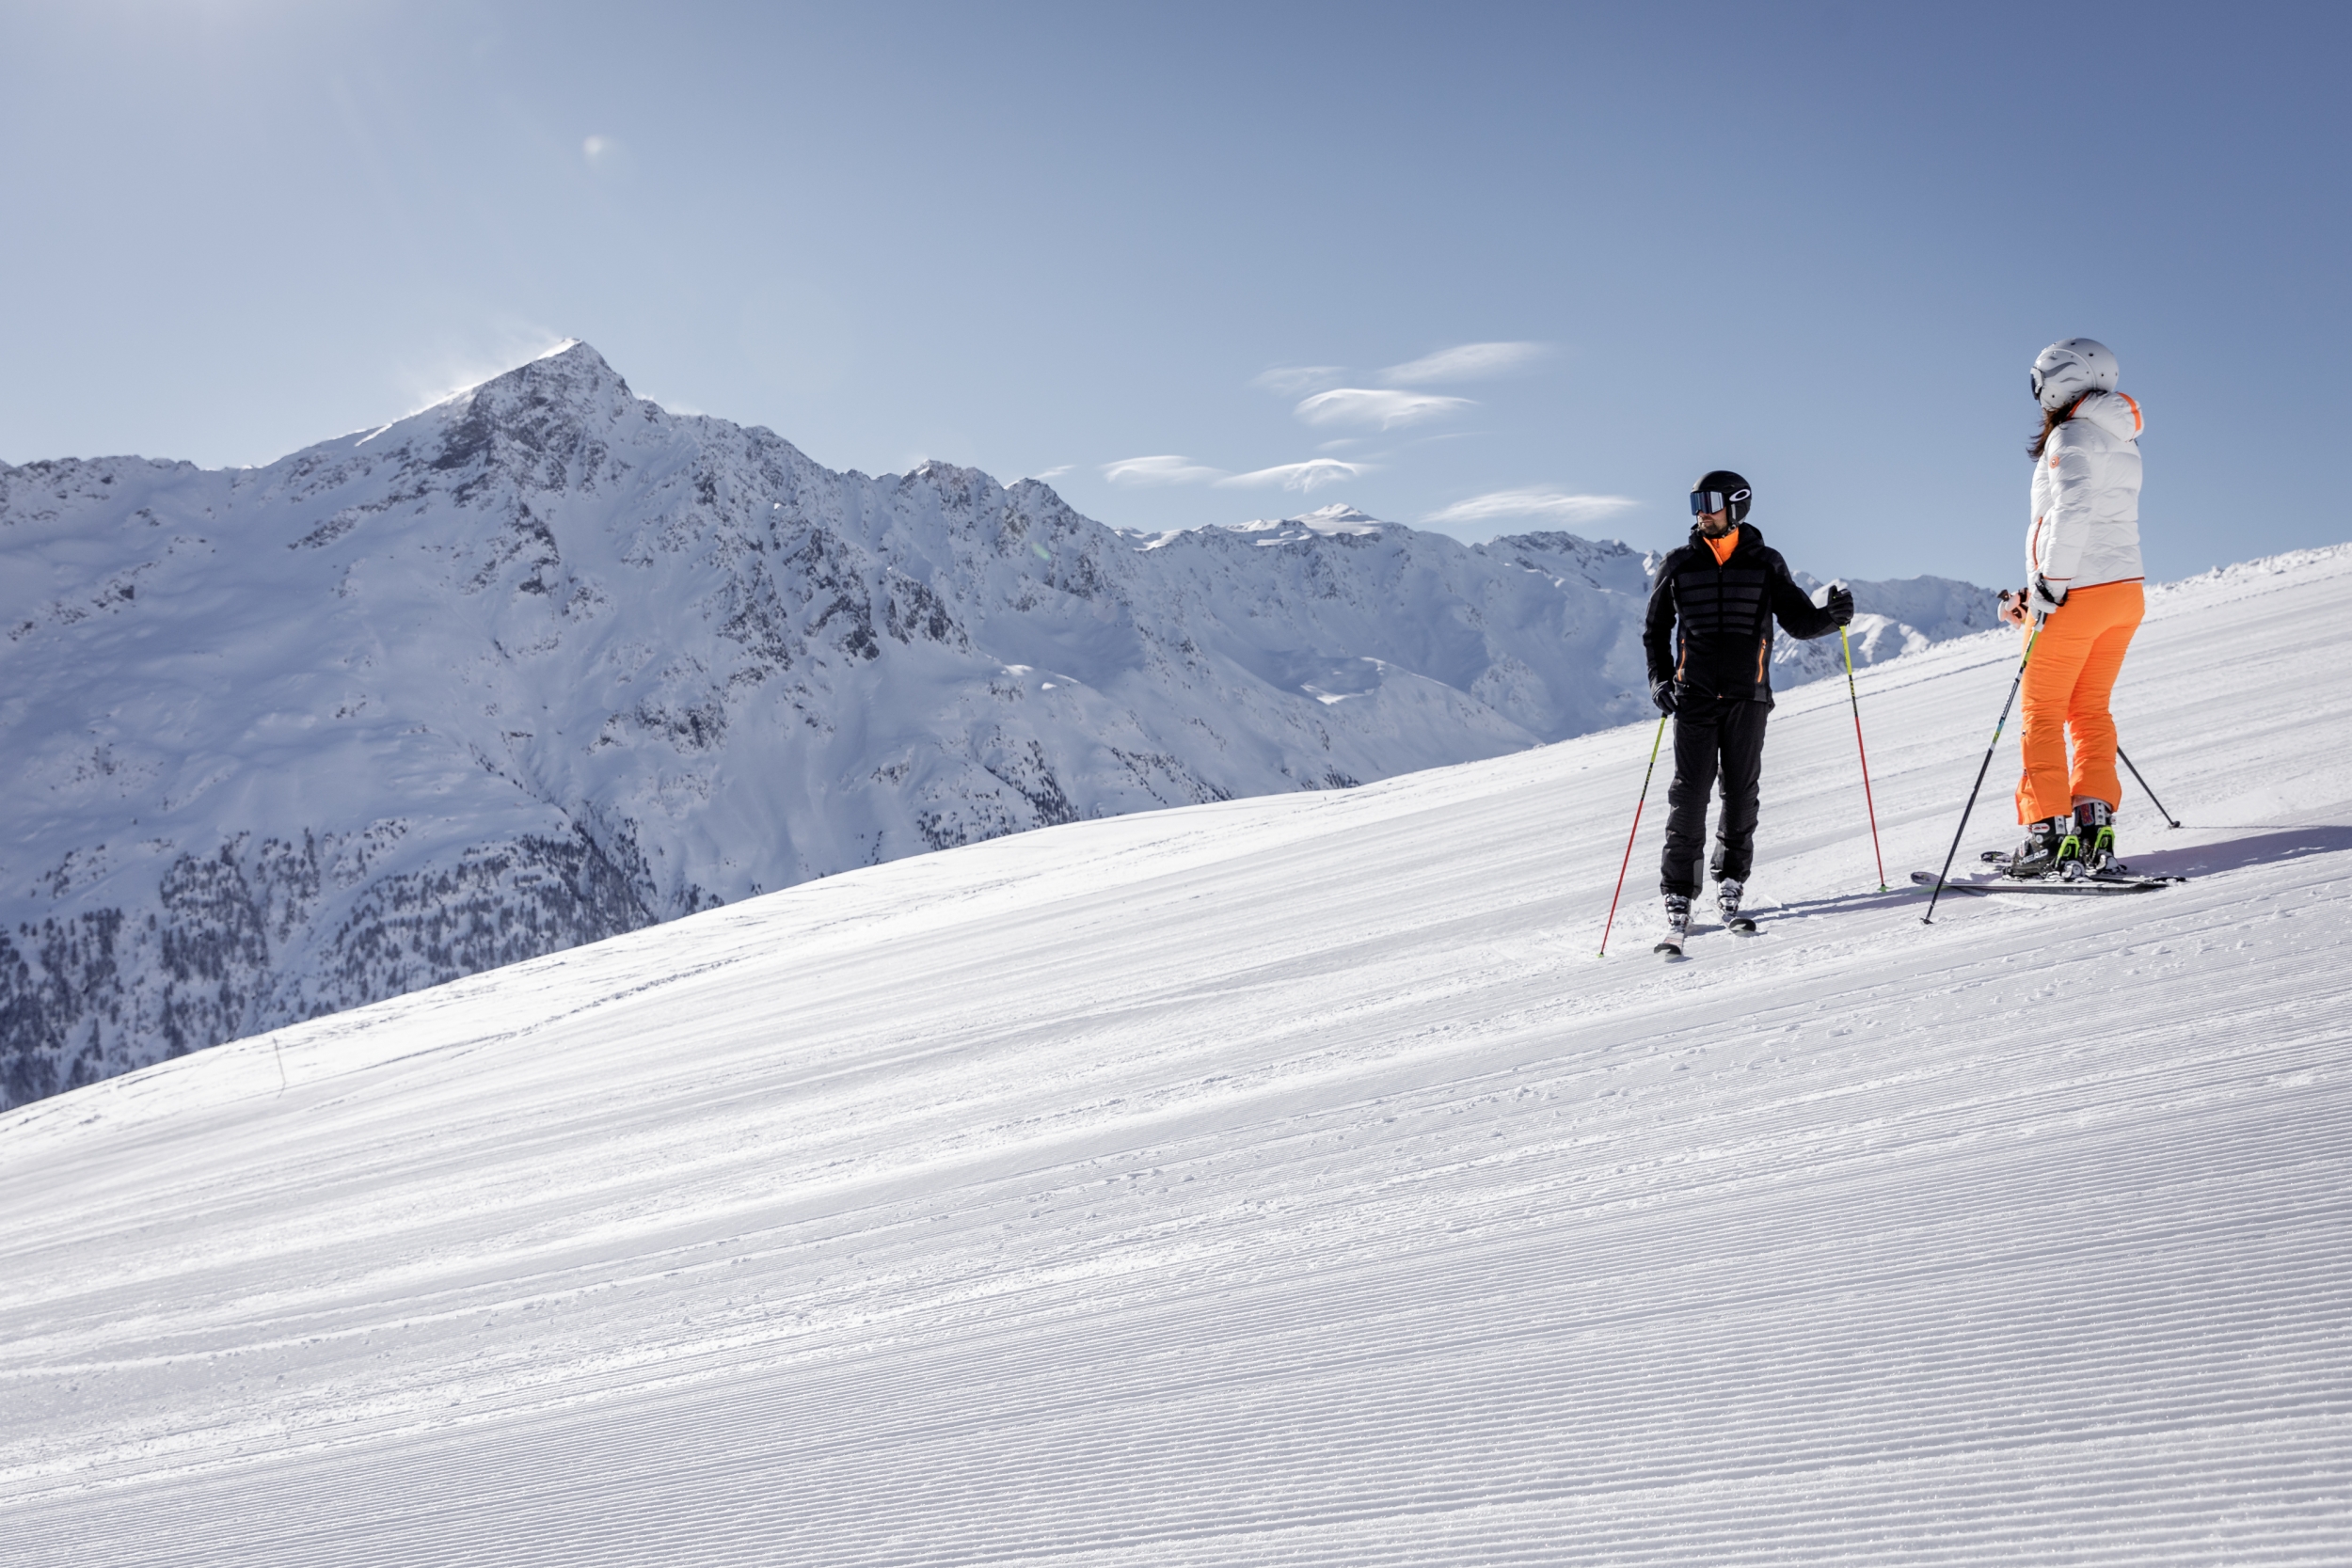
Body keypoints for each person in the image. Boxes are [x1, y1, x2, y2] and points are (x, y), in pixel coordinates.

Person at [1643, 471, 1851, 950]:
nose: (1701, 511)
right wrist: (1659, 681)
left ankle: (1731, 880)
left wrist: (1831, 618)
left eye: (1710, 502)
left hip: (1748, 697)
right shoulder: (1678, 564)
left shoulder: (1764, 562)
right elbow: (1654, 631)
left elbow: (1798, 620)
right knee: (1689, 796)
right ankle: (1679, 892)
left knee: (1740, 794)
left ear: (1736, 506)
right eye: (1696, 502)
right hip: (1692, 697)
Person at [1996, 338, 2145, 876]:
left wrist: (2049, 586)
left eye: (2038, 382)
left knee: (2042, 715)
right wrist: (2037, 587)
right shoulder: (2118, 437)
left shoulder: (2072, 434)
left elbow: (2073, 511)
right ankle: (2092, 826)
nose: (2037, 394)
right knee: (2089, 711)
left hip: (2076, 594)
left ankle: (2047, 835)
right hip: (2123, 593)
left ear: (2059, 380)